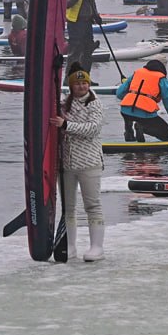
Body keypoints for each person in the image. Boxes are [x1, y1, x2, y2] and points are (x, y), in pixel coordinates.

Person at [53, 64, 106, 261]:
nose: (82, 86)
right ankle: (70, 245)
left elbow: (92, 128)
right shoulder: (63, 104)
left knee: (92, 205)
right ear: (71, 85)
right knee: (68, 207)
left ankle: (97, 247)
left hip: (89, 162)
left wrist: (65, 124)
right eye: (78, 83)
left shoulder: (95, 104)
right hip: (66, 164)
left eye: (85, 83)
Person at [116, 59, 168, 142]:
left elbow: (119, 93)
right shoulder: (162, 79)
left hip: (125, 111)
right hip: (145, 114)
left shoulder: (137, 73)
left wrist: (132, 95)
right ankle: (141, 127)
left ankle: (129, 133)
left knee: (129, 113)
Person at [66, 0, 100, 79]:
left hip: (87, 23)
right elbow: (67, 4)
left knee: (88, 52)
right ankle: (69, 78)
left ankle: (85, 78)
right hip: (75, 23)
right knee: (75, 52)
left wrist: (96, 15)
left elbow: (92, 3)